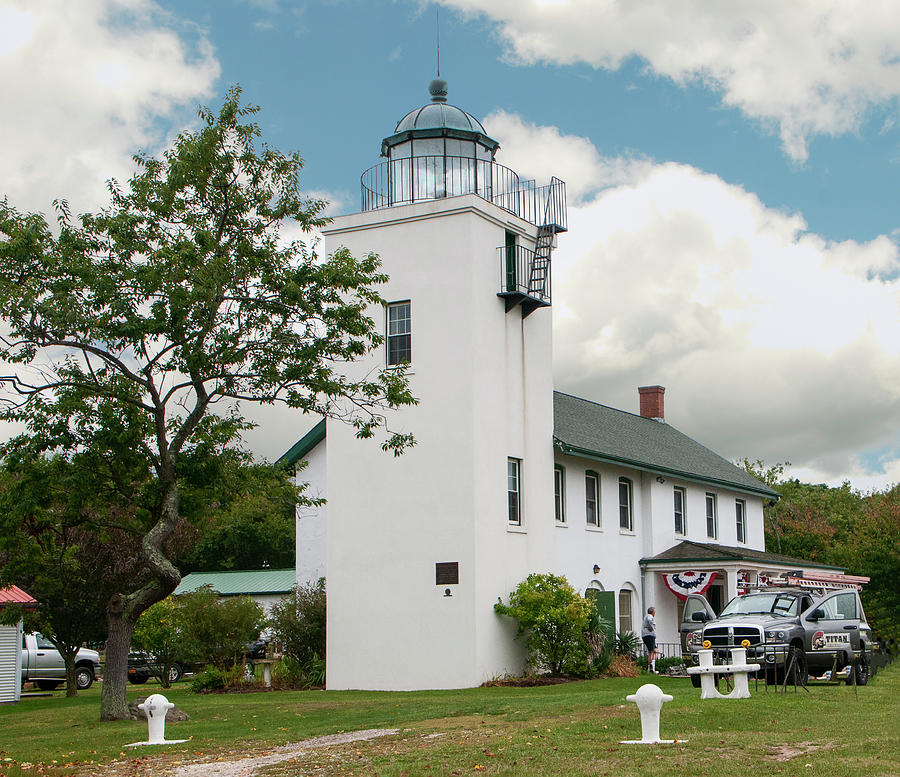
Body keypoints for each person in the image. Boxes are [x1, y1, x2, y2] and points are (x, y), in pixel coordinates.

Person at [641, 606, 659, 674]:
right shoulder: (649, 616)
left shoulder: (646, 617)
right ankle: (650, 668)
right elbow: (649, 620)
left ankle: (652, 666)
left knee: (656, 651)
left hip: (647, 635)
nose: (655, 613)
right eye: (654, 612)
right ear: (652, 612)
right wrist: (651, 628)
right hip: (649, 635)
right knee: (651, 652)